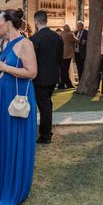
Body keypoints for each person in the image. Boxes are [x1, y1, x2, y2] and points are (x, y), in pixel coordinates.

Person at [0, 10, 38, 205]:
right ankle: (2, 186)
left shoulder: (25, 44)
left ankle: (15, 189)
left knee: (16, 140)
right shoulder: (7, 44)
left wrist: (4, 67)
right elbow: (5, 74)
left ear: (8, 23)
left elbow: (32, 72)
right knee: (5, 140)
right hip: (4, 97)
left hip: (18, 100)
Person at [30, 11, 63, 144]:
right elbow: (60, 57)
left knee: (44, 105)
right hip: (53, 76)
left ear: (37, 22)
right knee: (47, 104)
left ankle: (45, 135)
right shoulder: (57, 37)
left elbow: (33, 60)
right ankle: (46, 131)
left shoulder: (35, 38)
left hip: (40, 77)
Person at [59, 25, 77, 89]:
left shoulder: (61, 34)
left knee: (63, 69)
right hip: (68, 54)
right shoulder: (70, 34)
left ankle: (64, 84)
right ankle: (64, 84)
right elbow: (76, 41)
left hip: (62, 53)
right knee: (65, 69)